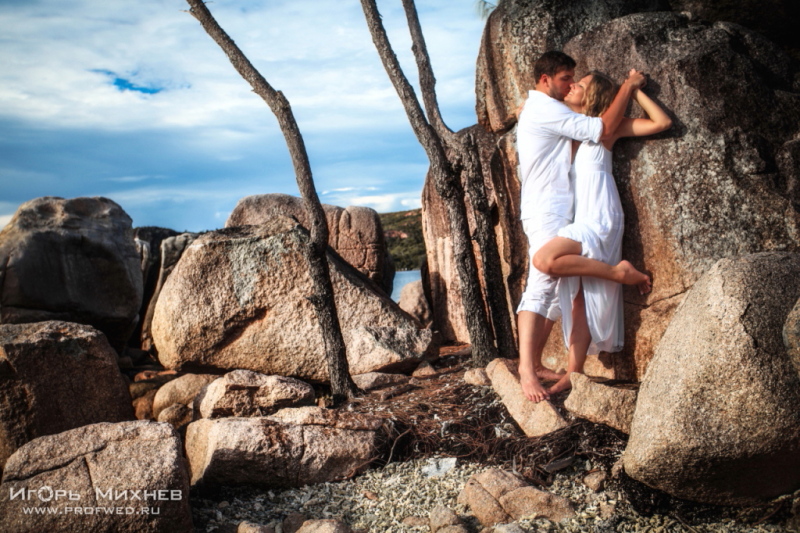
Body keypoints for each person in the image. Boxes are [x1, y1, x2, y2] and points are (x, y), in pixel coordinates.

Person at [516, 51, 648, 404]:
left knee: (553, 290)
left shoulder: (549, 108)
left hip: (567, 212)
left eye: (576, 81)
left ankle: (535, 363)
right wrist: (629, 86)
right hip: (547, 209)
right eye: (565, 79)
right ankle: (526, 369)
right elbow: (600, 127)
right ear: (545, 79)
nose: (571, 85)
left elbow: (598, 123)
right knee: (541, 284)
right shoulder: (547, 109)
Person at [532, 71, 672, 396]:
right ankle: (574, 373)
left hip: (600, 217)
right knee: (579, 300)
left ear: (594, 96)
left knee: (545, 260)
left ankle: (619, 273)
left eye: (580, 85)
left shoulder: (609, 128)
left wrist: (633, 89)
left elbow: (662, 122)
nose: (572, 87)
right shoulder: (573, 129)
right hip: (581, 217)